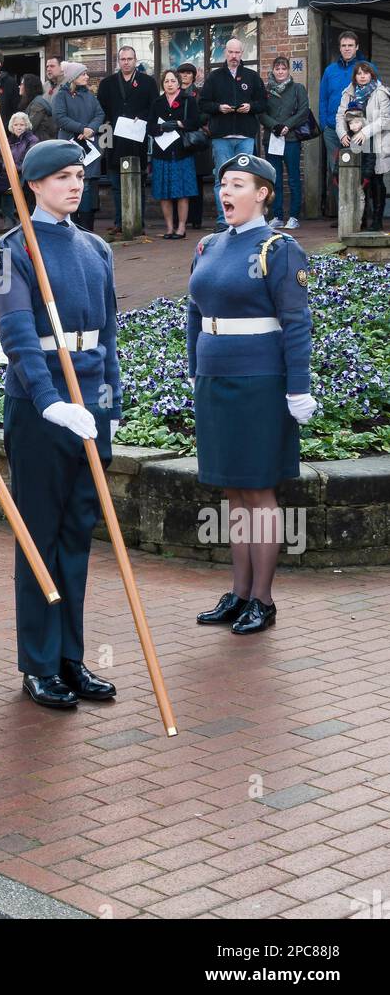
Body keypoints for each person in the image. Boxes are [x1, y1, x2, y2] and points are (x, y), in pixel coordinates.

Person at [0, 139, 120, 708]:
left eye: (79, 175)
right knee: (40, 536)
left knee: (75, 537)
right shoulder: (10, 250)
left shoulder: (96, 248)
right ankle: (39, 662)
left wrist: (107, 409)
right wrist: (47, 400)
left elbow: (110, 337)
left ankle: (71, 654)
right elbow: (18, 335)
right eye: (62, 176)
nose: (75, 184)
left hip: (88, 405)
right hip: (40, 406)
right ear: (35, 184)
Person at [188, 154, 315, 635]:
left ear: (262, 193)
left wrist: (298, 388)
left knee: (259, 491)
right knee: (233, 490)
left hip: (261, 382)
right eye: (223, 184)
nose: (226, 193)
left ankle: (262, 598)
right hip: (216, 379)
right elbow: (194, 315)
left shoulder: (279, 249)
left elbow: (297, 323)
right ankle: (238, 592)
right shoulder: (207, 246)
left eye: (237, 184)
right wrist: (194, 370)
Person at [199, 38, 267, 229]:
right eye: (231, 52)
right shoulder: (215, 77)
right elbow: (203, 103)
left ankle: (244, 219)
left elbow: (263, 103)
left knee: (245, 179)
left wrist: (250, 107)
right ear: (225, 53)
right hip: (221, 137)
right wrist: (219, 107)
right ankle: (223, 220)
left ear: (242, 54)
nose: (234, 56)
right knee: (223, 179)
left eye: (237, 53)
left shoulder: (251, 76)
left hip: (245, 136)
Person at [97, 45, 156, 235]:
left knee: (138, 183)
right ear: (118, 61)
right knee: (116, 183)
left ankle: (138, 221)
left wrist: (143, 117)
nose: (126, 62)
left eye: (130, 59)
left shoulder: (148, 82)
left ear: (135, 60)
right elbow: (101, 111)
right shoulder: (107, 83)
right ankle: (119, 221)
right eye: (123, 59)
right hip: (114, 140)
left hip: (136, 139)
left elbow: (154, 108)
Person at [319, 31, 373, 205]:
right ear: (339, 48)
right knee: (336, 170)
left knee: (359, 169)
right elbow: (323, 98)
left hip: (358, 129)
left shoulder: (366, 68)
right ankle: (342, 214)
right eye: (344, 45)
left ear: (357, 47)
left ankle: (361, 214)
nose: (347, 48)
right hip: (332, 130)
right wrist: (324, 124)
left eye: (350, 45)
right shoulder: (330, 71)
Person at [258, 55, 310, 231]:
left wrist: (287, 125)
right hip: (272, 139)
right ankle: (277, 216)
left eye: (283, 68)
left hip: (292, 139)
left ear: (288, 70)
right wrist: (276, 126)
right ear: (273, 70)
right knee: (275, 179)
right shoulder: (265, 91)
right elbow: (261, 113)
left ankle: (294, 216)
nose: (280, 72)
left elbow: (304, 111)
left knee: (294, 178)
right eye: (277, 68)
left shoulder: (297, 88)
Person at [52, 60, 104, 231]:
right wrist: (82, 128)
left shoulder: (89, 95)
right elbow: (60, 118)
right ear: (73, 77)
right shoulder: (62, 95)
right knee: (71, 184)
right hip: (69, 145)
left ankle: (88, 229)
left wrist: (91, 129)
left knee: (87, 186)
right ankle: (71, 227)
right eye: (83, 74)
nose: (87, 77)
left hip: (88, 146)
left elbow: (100, 113)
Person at [337, 62, 389, 231]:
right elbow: (340, 115)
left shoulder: (380, 92)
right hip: (355, 142)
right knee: (359, 180)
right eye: (359, 73)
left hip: (376, 141)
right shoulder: (349, 92)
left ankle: (377, 219)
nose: (362, 76)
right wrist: (342, 134)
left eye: (366, 73)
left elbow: (385, 119)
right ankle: (361, 219)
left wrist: (365, 132)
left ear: (372, 75)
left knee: (375, 179)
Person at [149, 69, 199, 238]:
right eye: (166, 81)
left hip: (182, 152)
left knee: (182, 193)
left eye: (172, 81)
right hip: (161, 153)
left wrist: (179, 123)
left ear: (178, 83)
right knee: (164, 194)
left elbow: (195, 122)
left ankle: (182, 228)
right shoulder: (157, 102)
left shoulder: (188, 100)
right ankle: (170, 228)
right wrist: (161, 127)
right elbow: (150, 128)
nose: (169, 84)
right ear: (163, 84)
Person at [177, 63, 211, 229]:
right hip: (177, 139)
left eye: (188, 73)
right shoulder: (174, 92)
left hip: (195, 140)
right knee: (180, 179)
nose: (185, 75)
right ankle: (180, 219)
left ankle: (196, 219)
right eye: (182, 72)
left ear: (193, 76)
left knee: (196, 180)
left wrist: (194, 120)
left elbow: (206, 112)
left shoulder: (200, 93)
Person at [20, 74, 57, 141]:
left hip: (41, 143)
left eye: (22, 84)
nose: (20, 86)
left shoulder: (37, 104)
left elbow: (30, 127)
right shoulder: (34, 102)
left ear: (29, 86)